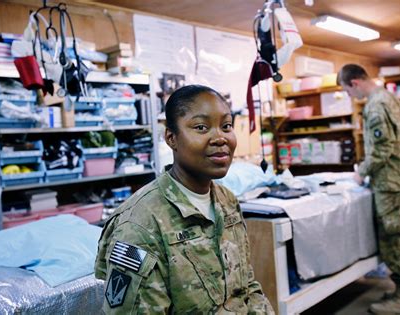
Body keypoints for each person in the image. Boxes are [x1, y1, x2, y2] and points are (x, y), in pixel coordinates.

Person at [95, 85, 274, 314]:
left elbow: (247, 287)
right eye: (201, 127)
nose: (220, 138)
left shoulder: (226, 201)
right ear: (171, 138)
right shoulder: (139, 225)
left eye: (226, 126)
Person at [338, 64, 400, 315]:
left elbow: (382, 149)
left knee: (396, 240)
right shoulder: (388, 97)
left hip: (393, 182)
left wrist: (361, 172)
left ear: (355, 82)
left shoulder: (375, 105)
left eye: (347, 91)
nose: (350, 97)